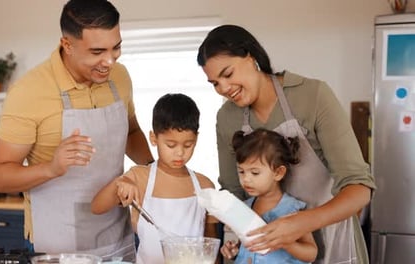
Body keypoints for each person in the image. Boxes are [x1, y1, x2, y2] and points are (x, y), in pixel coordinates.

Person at [0, 0, 154, 261]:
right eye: (97, 51)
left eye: (116, 47)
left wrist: (154, 173)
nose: (109, 61)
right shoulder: (30, 91)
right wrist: (51, 168)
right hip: (57, 247)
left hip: (116, 238)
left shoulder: (119, 77)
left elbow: (131, 133)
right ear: (67, 44)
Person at [197, 24, 375, 264]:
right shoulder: (228, 118)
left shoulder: (312, 96)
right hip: (269, 253)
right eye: (215, 83)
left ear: (250, 57)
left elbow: (359, 189)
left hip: (334, 244)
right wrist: (238, 241)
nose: (224, 89)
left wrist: (301, 223)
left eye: (228, 74)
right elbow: (235, 195)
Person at [91, 93, 219, 264]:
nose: (180, 152)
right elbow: (97, 207)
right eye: (171, 145)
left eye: (188, 145)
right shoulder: (139, 177)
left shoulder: (205, 185)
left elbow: (209, 237)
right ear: (153, 138)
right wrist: (118, 184)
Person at [220, 128, 317, 263]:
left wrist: (286, 242)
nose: (246, 179)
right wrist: (236, 251)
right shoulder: (244, 208)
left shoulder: (293, 210)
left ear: (278, 173)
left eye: (254, 173)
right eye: (241, 171)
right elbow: (249, 246)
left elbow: (311, 253)